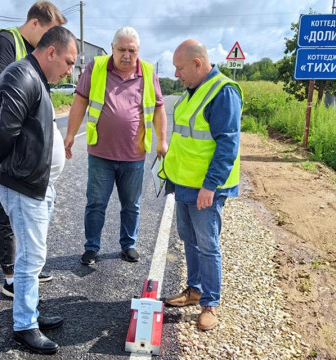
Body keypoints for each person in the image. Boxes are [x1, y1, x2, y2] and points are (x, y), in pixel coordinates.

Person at [0, 26, 78, 354]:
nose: (70, 69)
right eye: (69, 61)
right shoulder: (22, 76)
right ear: (51, 52)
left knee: (33, 256)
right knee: (31, 257)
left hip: (37, 183)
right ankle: (24, 326)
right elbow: (5, 131)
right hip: (23, 185)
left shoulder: (36, 77)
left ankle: (30, 311)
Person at [0, 1, 66, 298]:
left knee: (26, 213)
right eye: (52, 33)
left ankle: (28, 267)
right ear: (37, 24)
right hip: (2, 142)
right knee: (7, 210)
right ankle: (11, 275)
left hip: (19, 142)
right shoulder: (6, 42)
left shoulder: (36, 54)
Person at [64, 26, 168, 266]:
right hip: (101, 154)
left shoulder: (149, 72)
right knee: (96, 203)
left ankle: (128, 245)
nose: (126, 55)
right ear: (112, 48)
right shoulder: (97, 67)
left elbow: (160, 107)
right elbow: (80, 100)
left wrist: (162, 141)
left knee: (131, 204)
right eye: (121, 49)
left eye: (132, 50)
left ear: (138, 51)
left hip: (134, 155)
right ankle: (91, 247)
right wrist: (70, 134)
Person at [160, 39, 243, 331]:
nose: (176, 74)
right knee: (189, 240)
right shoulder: (192, 91)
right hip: (184, 185)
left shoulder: (223, 92)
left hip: (205, 189)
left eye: (179, 68)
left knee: (208, 246)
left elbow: (227, 145)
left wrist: (210, 185)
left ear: (197, 64)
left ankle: (210, 303)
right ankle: (193, 290)